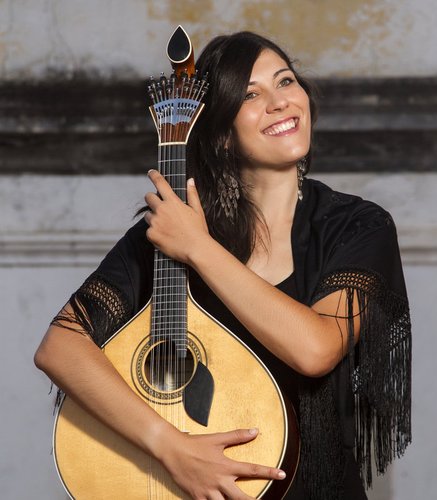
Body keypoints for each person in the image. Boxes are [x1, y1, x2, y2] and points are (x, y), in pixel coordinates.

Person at [34, 31, 412, 500]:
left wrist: (199, 248)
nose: (279, 102)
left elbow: (315, 349)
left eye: (286, 81)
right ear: (222, 135)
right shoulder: (168, 231)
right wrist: (172, 448)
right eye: (251, 94)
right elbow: (59, 347)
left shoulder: (358, 226)